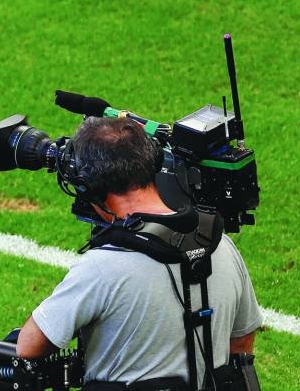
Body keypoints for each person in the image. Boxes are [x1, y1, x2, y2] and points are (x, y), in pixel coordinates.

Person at [16, 117, 262, 390]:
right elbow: (241, 346)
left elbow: (28, 346)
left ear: (88, 186)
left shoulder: (101, 268)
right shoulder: (222, 246)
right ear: (153, 164)